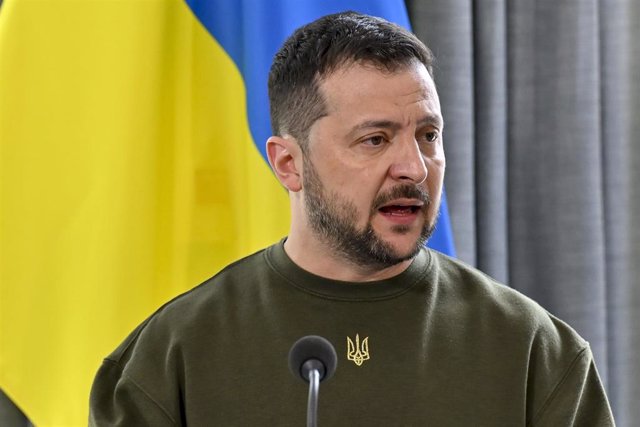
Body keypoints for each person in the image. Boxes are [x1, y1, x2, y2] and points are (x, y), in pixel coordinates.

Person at [89, 11, 615, 426]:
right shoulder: (169, 359)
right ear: (289, 165)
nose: (413, 167)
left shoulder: (535, 351)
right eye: (375, 139)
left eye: (428, 135)